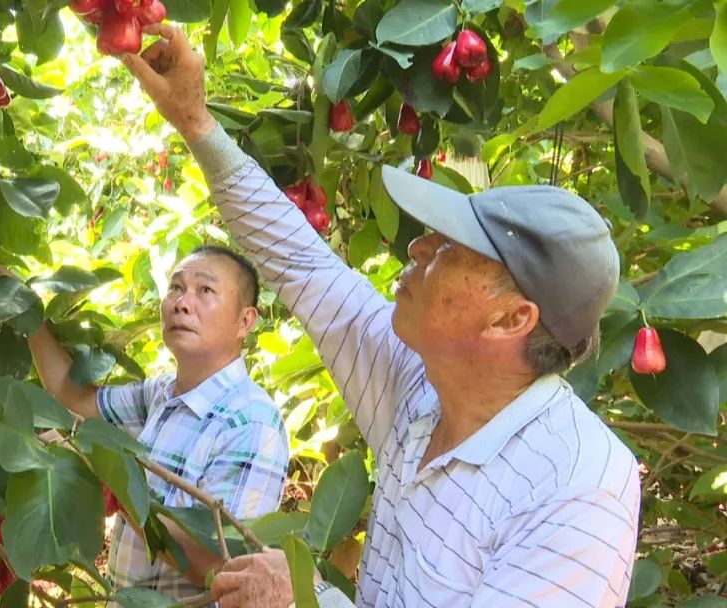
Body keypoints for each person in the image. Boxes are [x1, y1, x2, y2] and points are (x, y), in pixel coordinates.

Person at [119, 24, 641, 608]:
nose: (416, 248)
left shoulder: (580, 483)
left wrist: (304, 600)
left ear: (508, 320)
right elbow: (302, 262)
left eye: (447, 250)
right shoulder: (418, 385)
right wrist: (195, 122)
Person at [28, 245, 290, 602]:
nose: (183, 302)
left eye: (206, 290)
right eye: (176, 287)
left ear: (245, 321)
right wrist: (28, 317)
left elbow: (213, 563)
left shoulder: (253, 423)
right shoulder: (160, 393)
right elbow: (72, 401)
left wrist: (103, 469)